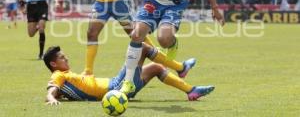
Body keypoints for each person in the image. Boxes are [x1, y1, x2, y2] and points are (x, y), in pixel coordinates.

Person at [44, 45, 214, 105]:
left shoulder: (66, 75)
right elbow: (52, 89)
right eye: (61, 57)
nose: (66, 57)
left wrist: (60, 94)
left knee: (155, 67)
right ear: (53, 64)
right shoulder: (59, 74)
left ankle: (191, 91)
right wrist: (52, 97)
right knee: (142, 48)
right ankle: (180, 68)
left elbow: (63, 90)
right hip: (116, 89)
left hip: (118, 86)